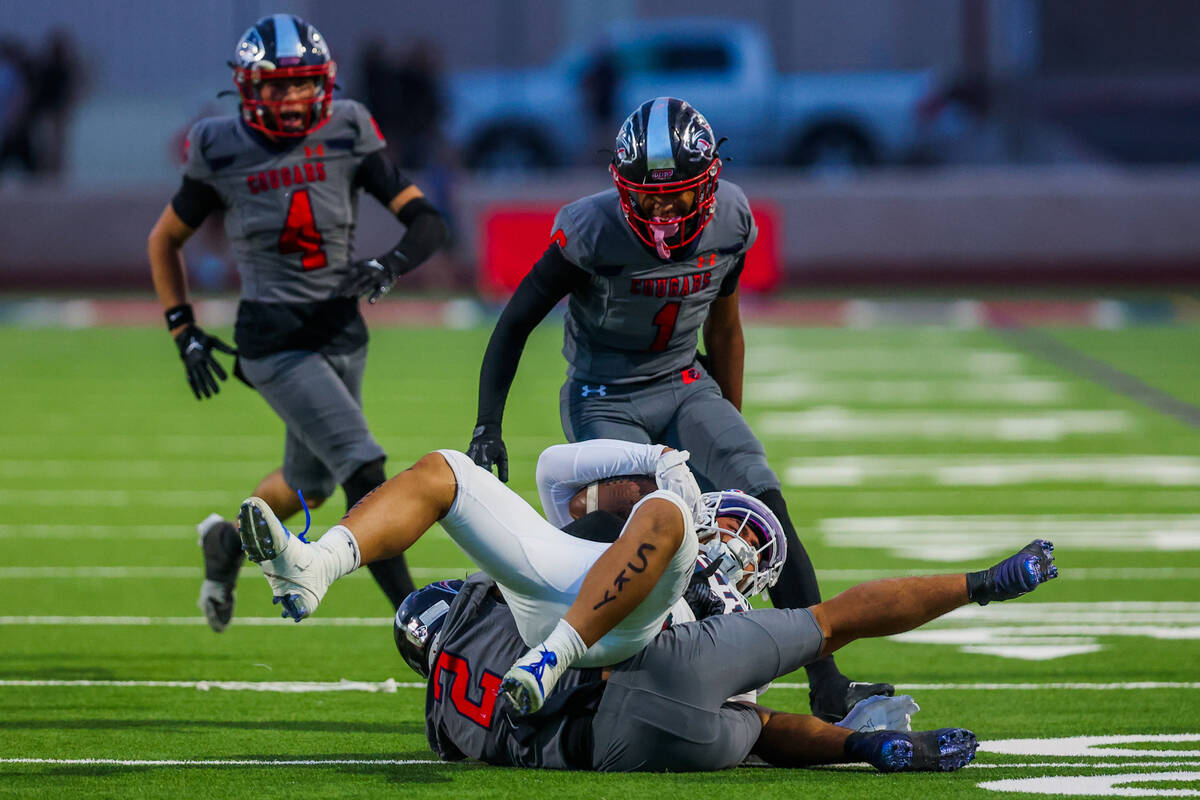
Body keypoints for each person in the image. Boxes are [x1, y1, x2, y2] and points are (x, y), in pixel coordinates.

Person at [235, 441, 1058, 773]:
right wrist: (665, 469)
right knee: (446, 470)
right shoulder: (668, 512)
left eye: (757, 549)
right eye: (742, 529)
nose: (742, 547)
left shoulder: (698, 568)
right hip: (582, 629)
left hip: (608, 656)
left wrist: (866, 744)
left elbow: (766, 726)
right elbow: (560, 470)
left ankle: (549, 655)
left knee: (450, 470)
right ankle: (317, 565)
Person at [467, 95, 886, 720]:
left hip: (685, 384)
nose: (662, 213)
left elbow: (725, 329)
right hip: (603, 394)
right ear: (621, 187)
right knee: (632, 532)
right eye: (647, 197)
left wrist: (730, 421)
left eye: (678, 197)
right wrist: (487, 424)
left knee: (763, 507)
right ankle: (567, 661)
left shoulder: (732, 220)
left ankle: (825, 681)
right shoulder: (591, 229)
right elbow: (515, 322)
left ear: (709, 184)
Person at [147, 14, 449, 632]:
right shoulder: (220, 145)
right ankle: (423, 627)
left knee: (306, 485)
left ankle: (226, 545)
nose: (290, 99)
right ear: (246, 87)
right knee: (363, 469)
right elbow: (165, 240)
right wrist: (182, 327)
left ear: (325, 84)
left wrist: (390, 263)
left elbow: (427, 222)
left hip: (342, 331)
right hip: (273, 341)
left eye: (303, 84)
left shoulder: (348, 128)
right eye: (276, 86)